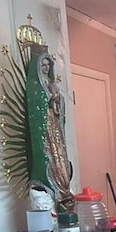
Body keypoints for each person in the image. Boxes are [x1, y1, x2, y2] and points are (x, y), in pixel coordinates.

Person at [26, 46, 74, 209]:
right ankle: (55, 184)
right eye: (43, 65)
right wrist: (49, 100)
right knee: (50, 153)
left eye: (48, 65)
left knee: (59, 152)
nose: (46, 68)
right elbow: (36, 106)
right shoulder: (35, 85)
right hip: (44, 127)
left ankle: (62, 185)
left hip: (54, 124)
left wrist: (57, 100)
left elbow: (58, 109)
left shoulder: (52, 84)